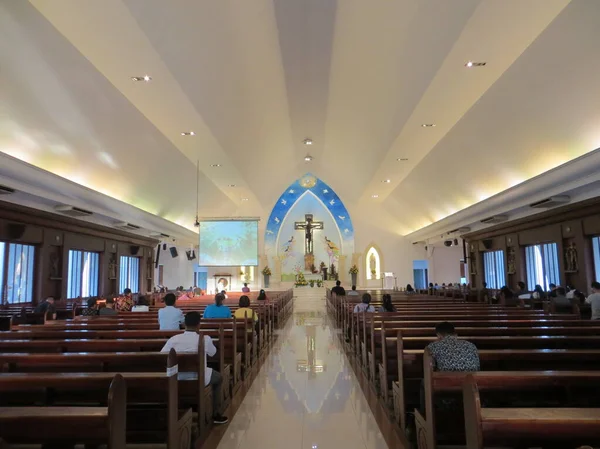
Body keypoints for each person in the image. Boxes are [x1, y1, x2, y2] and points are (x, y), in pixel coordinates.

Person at [161, 312, 228, 424]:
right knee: (219, 378)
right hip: (199, 377)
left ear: (184, 324)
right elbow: (213, 353)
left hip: (176, 379)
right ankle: (216, 413)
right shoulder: (204, 339)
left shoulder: (174, 339)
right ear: (199, 324)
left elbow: (162, 357)